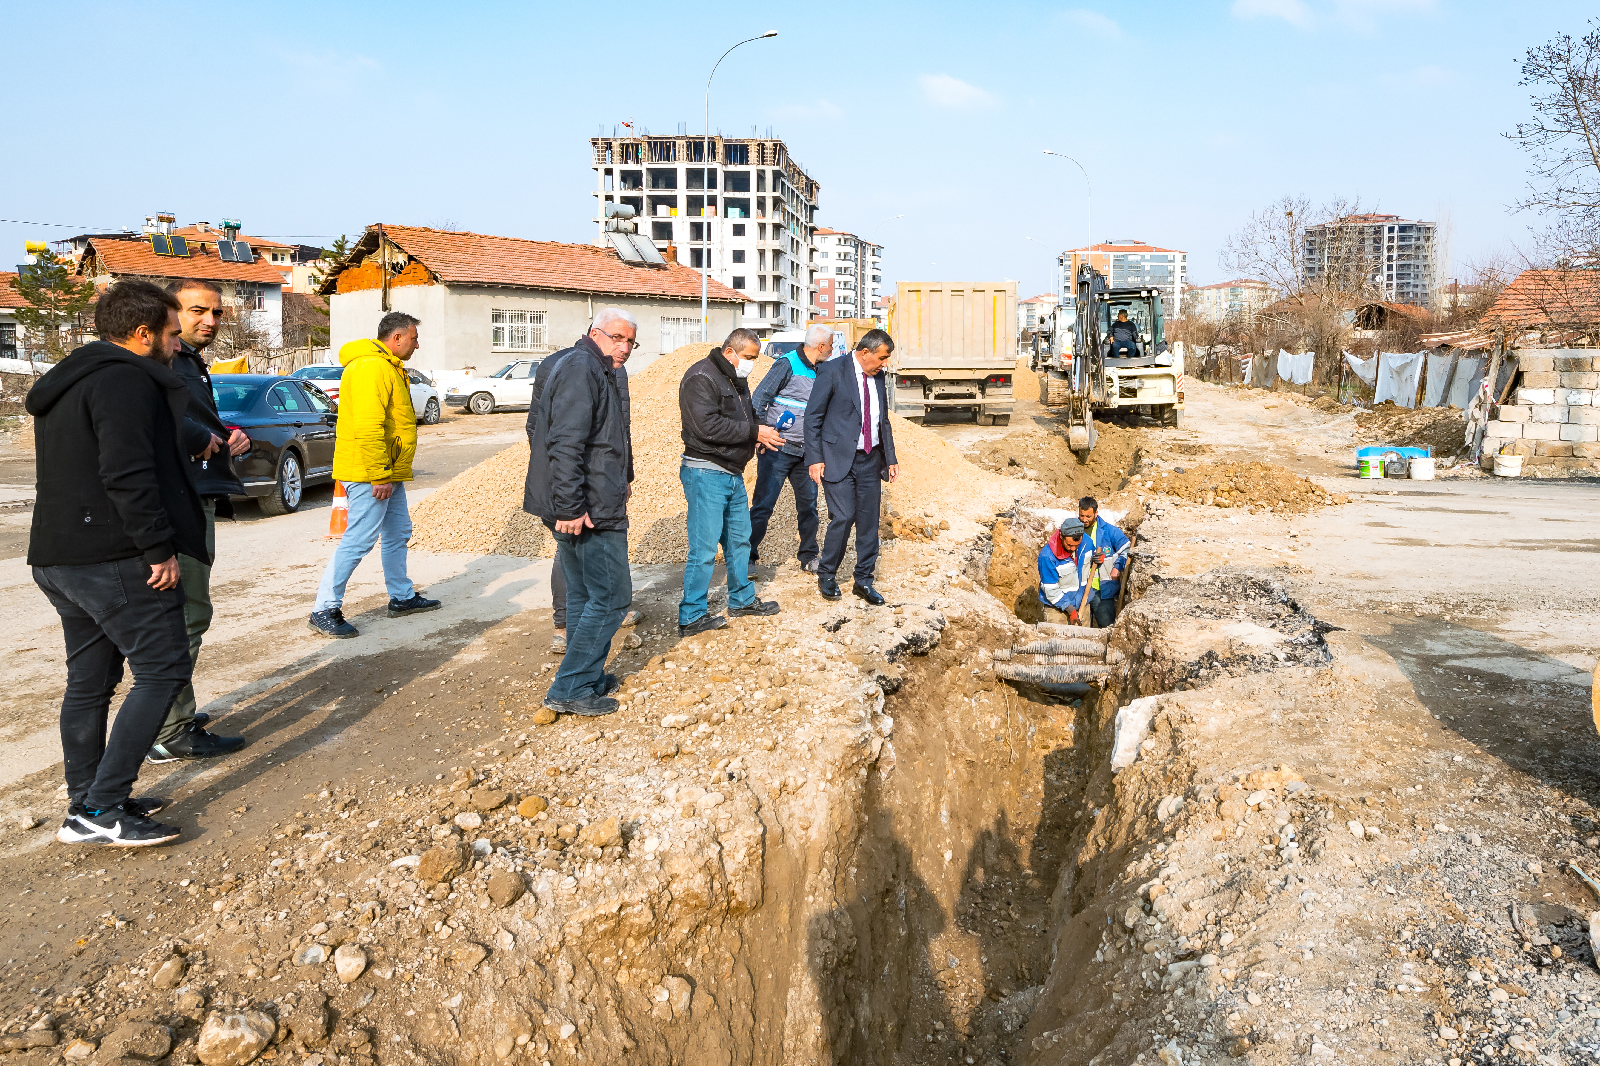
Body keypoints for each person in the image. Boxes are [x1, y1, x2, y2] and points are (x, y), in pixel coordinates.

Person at [27, 280, 202, 846]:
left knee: (91, 681)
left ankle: (88, 802)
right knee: (163, 670)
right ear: (142, 333)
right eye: (173, 333)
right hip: (112, 556)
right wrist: (159, 549)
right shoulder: (125, 380)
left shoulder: (72, 377)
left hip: (60, 556)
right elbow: (126, 473)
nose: (179, 344)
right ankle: (102, 811)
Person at [146, 280, 250, 763]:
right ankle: (169, 729)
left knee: (188, 614)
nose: (209, 320)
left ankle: (172, 713)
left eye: (216, 313)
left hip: (195, 494)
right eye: (197, 311)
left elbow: (187, 419)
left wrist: (223, 433)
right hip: (178, 503)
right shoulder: (162, 361)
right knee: (185, 616)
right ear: (170, 312)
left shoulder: (186, 360)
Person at [524, 309, 637, 715]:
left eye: (630, 341)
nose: (623, 347)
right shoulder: (581, 368)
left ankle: (585, 676)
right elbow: (564, 443)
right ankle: (570, 687)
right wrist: (570, 505)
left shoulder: (594, 367)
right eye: (617, 338)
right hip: (586, 508)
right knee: (612, 597)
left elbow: (609, 435)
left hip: (587, 499)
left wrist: (623, 474)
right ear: (595, 333)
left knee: (584, 594)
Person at [308, 312, 440, 638]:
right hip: (371, 471)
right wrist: (379, 475)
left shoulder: (386, 366)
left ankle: (402, 596)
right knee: (359, 538)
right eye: (413, 338)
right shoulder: (372, 367)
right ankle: (324, 608)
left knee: (398, 531)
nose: (417, 344)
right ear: (396, 339)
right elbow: (369, 426)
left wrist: (387, 473)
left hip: (386, 470)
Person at [677, 328, 785, 635]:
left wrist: (758, 435)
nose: (751, 363)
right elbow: (706, 426)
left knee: (740, 540)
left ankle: (741, 600)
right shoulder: (701, 377)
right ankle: (692, 616)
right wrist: (753, 433)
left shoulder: (735, 378)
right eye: (749, 357)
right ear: (730, 352)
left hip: (732, 472)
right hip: (706, 471)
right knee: (704, 548)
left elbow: (747, 417)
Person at [805, 328, 899, 605]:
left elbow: (883, 420)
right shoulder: (833, 371)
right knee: (844, 517)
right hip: (837, 457)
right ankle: (828, 573)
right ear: (865, 352)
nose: (884, 364)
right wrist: (814, 458)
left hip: (871, 458)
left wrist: (890, 458)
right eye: (882, 358)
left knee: (869, 522)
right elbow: (812, 418)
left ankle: (863, 580)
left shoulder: (878, 377)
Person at [748, 323, 830, 572]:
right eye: (831, 346)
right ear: (821, 346)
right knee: (763, 505)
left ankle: (808, 556)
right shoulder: (786, 364)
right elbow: (759, 399)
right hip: (778, 450)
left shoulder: (823, 370)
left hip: (806, 453)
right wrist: (761, 434)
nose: (832, 350)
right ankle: (748, 557)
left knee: (809, 507)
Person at [1076, 496, 1130, 627]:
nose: (1084, 519)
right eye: (1081, 515)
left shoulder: (1109, 531)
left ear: (1096, 513)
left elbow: (1127, 549)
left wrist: (1117, 567)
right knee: (1081, 629)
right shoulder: (1074, 529)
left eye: (1088, 516)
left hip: (1102, 589)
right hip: (1080, 588)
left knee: (1106, 626)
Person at [1037, 517, 1086, 622]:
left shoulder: (1085, 543)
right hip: (1057, 610)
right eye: (1069, 545)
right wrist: (1070, 609)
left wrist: (1098, 557)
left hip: (1082, 605)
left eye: (1076, 545)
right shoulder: (1047, 557)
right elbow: (1050, 589)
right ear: (1061, 536)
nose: (1072, 549)